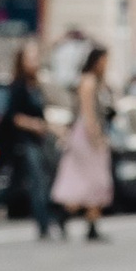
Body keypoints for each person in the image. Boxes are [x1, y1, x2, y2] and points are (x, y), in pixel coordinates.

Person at [0, 41, 61, 240]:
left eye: (36, 57)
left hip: (37, 141)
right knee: (37, 183)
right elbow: (13, 116)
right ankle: (44, 225)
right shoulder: (19, 86)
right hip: (23, 142)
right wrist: (35, 125)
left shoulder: (37, 85)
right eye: (30, 57)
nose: (35, 61)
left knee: (18, 185)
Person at [51, 46, 115, 242]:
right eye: (104, 60)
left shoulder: (99, 83)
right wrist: (96, 138)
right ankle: (66, 216)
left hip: (91, 134)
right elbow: (88, 114)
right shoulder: (87, 81)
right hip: (86, 136)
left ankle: (91, 224)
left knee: (94, 182)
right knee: (90, 180)